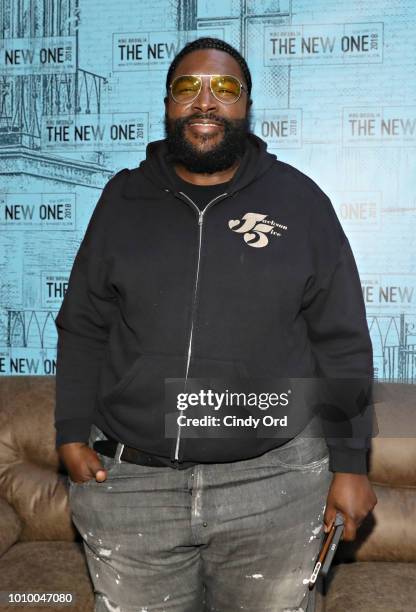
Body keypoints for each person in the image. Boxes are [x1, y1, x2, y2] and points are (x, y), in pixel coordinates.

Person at [55, 37, 377, 612]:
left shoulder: (300, 203)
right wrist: (70, 432)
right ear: (168, 103)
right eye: (188, 87)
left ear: (246, 105)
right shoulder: (122, 199)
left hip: (274, 485)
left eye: (225, 88)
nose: (206, 101)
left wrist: (351, 464)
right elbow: (83, 324)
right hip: (133, 488)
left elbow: (343, 341)